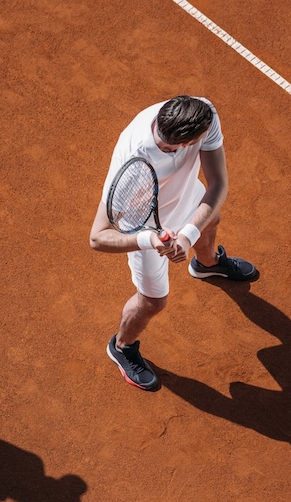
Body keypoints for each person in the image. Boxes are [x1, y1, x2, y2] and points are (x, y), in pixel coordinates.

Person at [89, 95, 258, 392]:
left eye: (175, 148)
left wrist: (188, 234)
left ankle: (207, 264)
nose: (168, 150)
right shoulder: (133, 156)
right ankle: (122, 347)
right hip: (145, 226)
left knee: (211, 220)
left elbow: (217, 182)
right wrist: (150, 239)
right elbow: (97, 237)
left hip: (185, 195)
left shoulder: (204, 114)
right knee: (154, 301)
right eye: (164, 146)